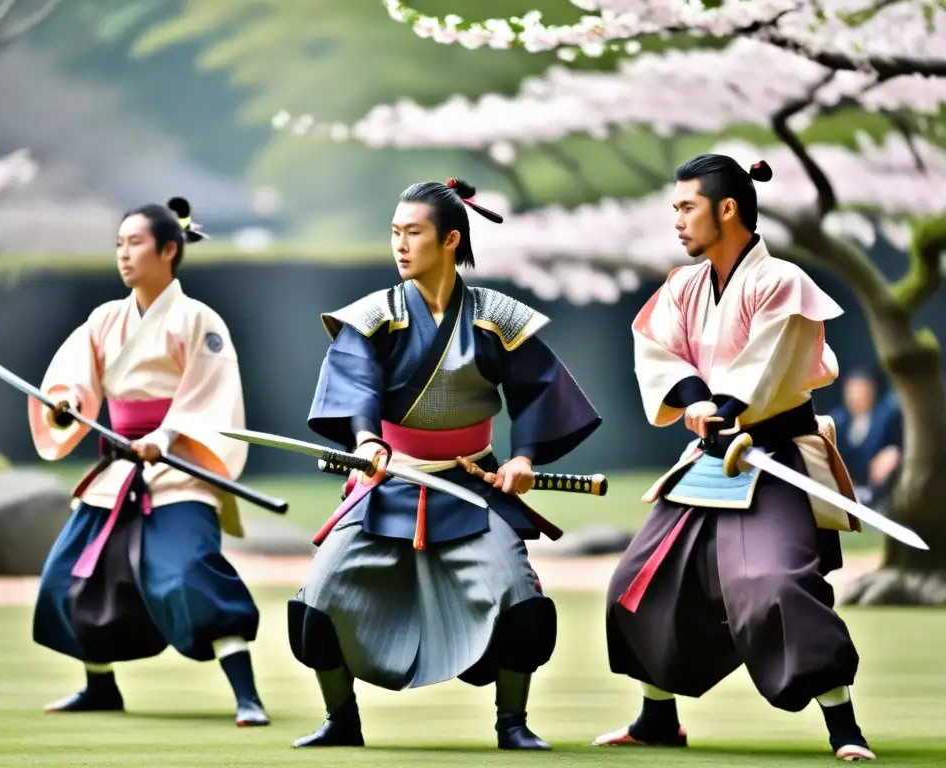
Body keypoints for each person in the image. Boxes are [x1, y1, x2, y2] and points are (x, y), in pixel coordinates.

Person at [289, 177, 601, 750]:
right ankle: (341, 720)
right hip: (387, 480)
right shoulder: (372, 317)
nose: (400, 245)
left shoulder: (496, 316)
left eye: (414, 233)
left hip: (471, 485)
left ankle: (513, 722)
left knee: (519, 595)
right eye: (394, 234)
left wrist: (526, 457)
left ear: (452, 239)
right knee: (320, 593)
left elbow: (539, 390)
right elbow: (354, 382)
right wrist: (366, 441)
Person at [595, 155, 875, 762]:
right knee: (637, 582)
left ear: (727, 209)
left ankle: (844, 728)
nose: (676, 220)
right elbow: (659, 350)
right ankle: (656, 718)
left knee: (773, 583)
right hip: (711, 458)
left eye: (686, 206)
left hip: (769, 452)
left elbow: (770, 366)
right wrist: (697, 403)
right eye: (674, 208)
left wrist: (722, 407)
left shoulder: (783, 282)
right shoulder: (683, 285)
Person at [27, 197, 269, 727]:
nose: (124, 254)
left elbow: (212, 393)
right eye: (119, 244)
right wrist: (66, 404)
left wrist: (165, 435)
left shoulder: (197, 318)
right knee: (68, 573)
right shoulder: (105, 319)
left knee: (187, 572)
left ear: (168, 250)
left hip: (178, 467)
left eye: (134, 243)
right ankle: (100, 686)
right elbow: (71, 381)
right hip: (118, 468)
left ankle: (247, 695)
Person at [829, 368, 902, 509]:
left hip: (877, 490)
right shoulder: (837, 420)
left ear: (872, 391)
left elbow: (900, 443)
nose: (856, 397)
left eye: (861, 391)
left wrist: (894, 452)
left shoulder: (886, 418)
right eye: (852, 391)